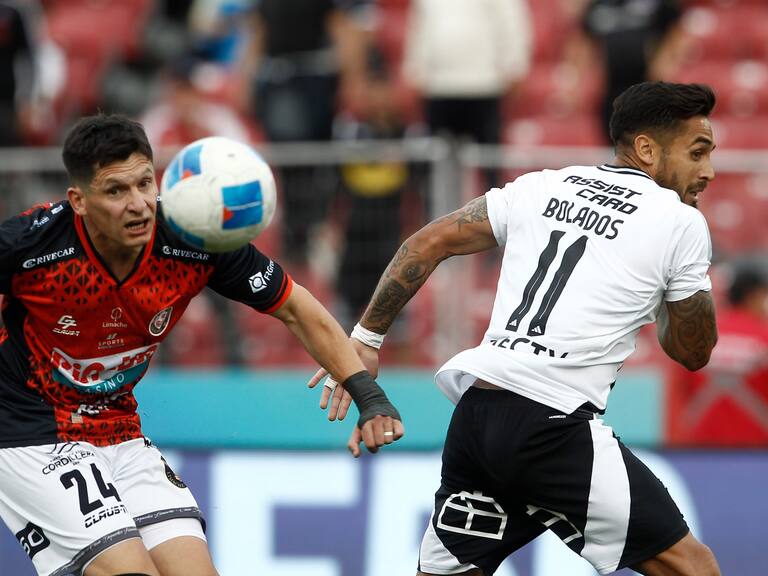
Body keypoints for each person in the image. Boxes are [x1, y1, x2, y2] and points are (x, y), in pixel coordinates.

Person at [311, 81, 720, 575]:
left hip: (478, 418)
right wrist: (686, 277)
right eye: (697, 152)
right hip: (554, 428)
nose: (708, 171)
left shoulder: (543, 185)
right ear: (648, 149)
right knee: (694, 568)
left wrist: (366, 338)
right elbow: (693, 352)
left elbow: (426, 243)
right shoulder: (679, 221)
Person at [0, 114, 403, 576]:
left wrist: (369, 396)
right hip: (30, 431)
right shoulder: (31, 244)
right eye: (115, 191)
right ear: (79, 201)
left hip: (119, 428)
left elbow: (296, 308)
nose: (138, 205)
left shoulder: (193, 235)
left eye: (144, 183)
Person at [667, 265, 768, 446]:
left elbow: (678, 391)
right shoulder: (764, 335)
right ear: (754, 296)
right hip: (756, 446)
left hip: (701, 444)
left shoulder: (700, 333)